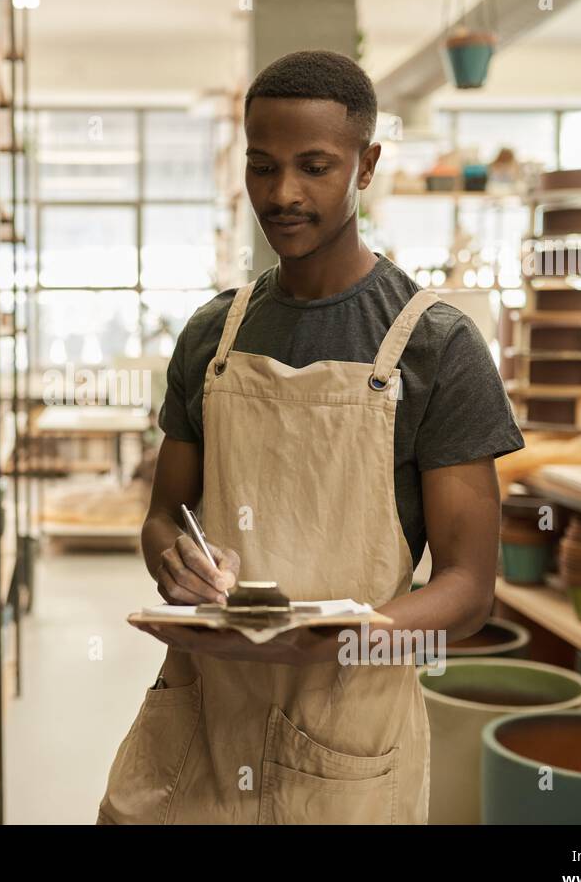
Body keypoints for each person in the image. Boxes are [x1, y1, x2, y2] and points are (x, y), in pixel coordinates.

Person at [97, 50, 524, 824]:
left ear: (367, 166)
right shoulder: (211, 338)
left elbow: (468, 591)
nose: (283, 194)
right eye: (262, 167)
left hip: (349, 730)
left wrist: (342, 638)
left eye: (314, 167)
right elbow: (165, 513)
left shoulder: (435, 345)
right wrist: (173, 560)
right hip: (200, 712)